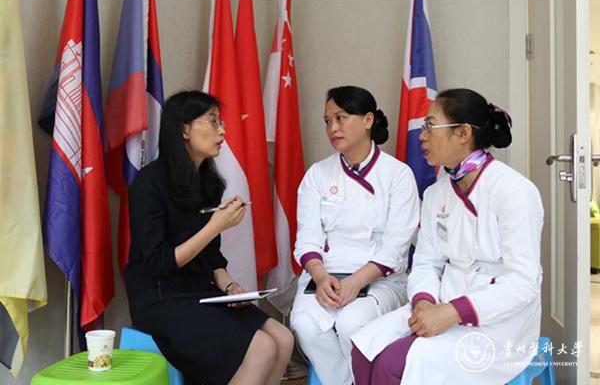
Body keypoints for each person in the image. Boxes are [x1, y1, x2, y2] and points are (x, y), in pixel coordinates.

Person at [350, 88, 543, 384]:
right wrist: (424, 301)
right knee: (364, 349)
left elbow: (523, 282)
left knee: (392, 364)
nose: (422, 136)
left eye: (430, 126)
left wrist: (454, 312)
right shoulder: (436, 193)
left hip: (499, 324)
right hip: (442, 302)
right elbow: (426, 262)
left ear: (463, 133)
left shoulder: (515, 192)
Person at [124, 91, 293, 385]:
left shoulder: (209, 183)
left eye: (221, 122)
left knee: (283, 337)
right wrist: (214, 226)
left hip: (202, 293)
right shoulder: (149, 183)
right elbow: (157, 263)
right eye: (213, 122)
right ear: (184, 130)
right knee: (261, 347)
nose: (222, 131)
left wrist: (230, 287)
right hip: (161, 298)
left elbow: (212, 258)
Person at [290, 86, 420, 385]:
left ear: (368, 120)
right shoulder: (317, 174)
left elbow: (396, 245)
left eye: (341, 118)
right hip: (325, 277)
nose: (332, 128)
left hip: (380, 278)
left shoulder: (398, 175)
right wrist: (320, 277)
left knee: (353, 323)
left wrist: (356, 282)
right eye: (327, 121)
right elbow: (307, 238)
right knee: (304, 324)